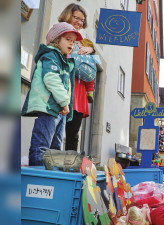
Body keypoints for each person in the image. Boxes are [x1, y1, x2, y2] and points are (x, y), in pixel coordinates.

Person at [21, 22, 83, 166]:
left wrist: (64, 105)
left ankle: (52, 179)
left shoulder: (64, 61)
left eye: (73, 41)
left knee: (55, 149)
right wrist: (64, 102)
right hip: (48, 107)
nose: (72, 44)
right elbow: (51, 78)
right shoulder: (51, 55)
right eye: (68, 39)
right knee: (42, 148)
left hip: (59, 110)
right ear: (56, 39)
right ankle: (37, 176)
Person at [58, 3, 96, 151]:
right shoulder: (58, 33)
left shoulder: (83, 42)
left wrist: (91, 51)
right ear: (68, 15)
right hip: (62, 87)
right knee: (55, 132)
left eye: (82, 19)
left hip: (79, 92)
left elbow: (91, 68)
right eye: (76, 18)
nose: (79, 22)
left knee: (73, 135)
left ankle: (69, 165)